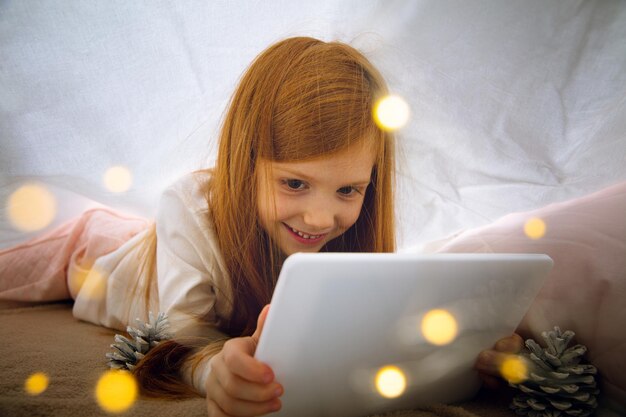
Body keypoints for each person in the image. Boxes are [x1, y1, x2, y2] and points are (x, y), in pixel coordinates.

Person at [0, 37, 519, 416]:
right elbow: (184, 336)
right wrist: (209, 370)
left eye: (348, 190)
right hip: (94, 254)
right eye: (294, 183)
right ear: (245, 162)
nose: (321, 218)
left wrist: (469, 351)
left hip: (159, 245)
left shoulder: (346, 236)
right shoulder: (187, 206)